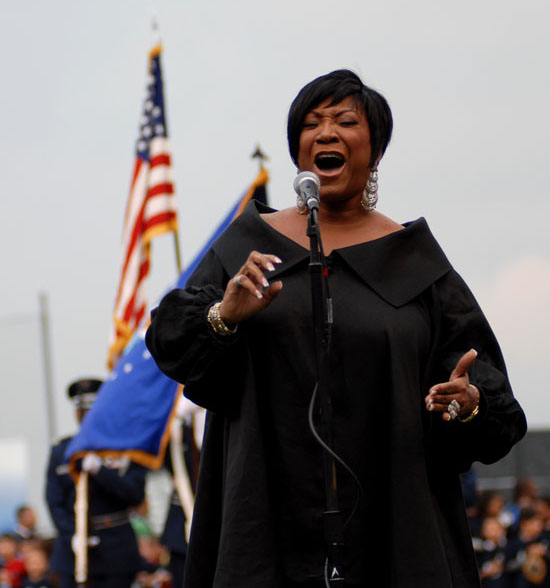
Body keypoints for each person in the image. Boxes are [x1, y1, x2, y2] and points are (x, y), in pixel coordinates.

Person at [145, 69, 527, 587]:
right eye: (311, 123)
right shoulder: (246, 250)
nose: (325, 133)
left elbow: (493, 406)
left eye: (345, 121)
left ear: (374, 150)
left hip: (395, 529)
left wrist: (468, 402)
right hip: (263, 526)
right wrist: (223, 317)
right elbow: (171, 344)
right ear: (298, 150)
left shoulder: (416, 264)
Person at [45, 378, 147, 588]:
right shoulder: (62, 451)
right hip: (73, 550)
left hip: (116, 551)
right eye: (82, 413)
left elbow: (134, 494)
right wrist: (72, 534)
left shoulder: (124, 448)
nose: (86, 418)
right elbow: (54, 501)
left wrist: (100, 470)